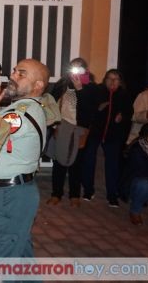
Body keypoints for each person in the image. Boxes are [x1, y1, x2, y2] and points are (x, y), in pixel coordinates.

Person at [0, 58, 49, 275]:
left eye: (21, 73)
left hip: (8, 197)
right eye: (15, 71)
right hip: (14, 193)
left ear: (38, 85)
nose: (13, 76)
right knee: (20, 261)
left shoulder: (22, 112)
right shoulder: (19, 108)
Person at [45, 58, 96, 207]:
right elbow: (52, 104)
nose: (76, 72)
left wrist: (80, 89)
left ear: (86, 70)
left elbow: (90, 110)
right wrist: (55, 126)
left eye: (79, 69)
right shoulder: (62, 84)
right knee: (59, 162)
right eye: (73, 68)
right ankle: (56, 194)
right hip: (62, 128)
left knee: (77, 163)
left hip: (79, 129)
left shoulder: (91, 87)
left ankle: (74, 195)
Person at [83, 69, 132, 206]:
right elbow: (88, 109)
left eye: (116, 79)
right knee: (89, 161)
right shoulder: (98, 91)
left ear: (120, 82)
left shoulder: (124, 95)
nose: (112, 82)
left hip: (113, 135)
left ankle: (112, 195)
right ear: (105, 80)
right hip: (95, 133)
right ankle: (88, 190)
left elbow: (129, 114)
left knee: (112, 165)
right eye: (109, 78)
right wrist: (98, 109)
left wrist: (122, 116)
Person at [124, 122, 148, 225]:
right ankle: (135, 211)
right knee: (146, 185)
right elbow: (142, 171)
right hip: (136, 183)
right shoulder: (138, 148)